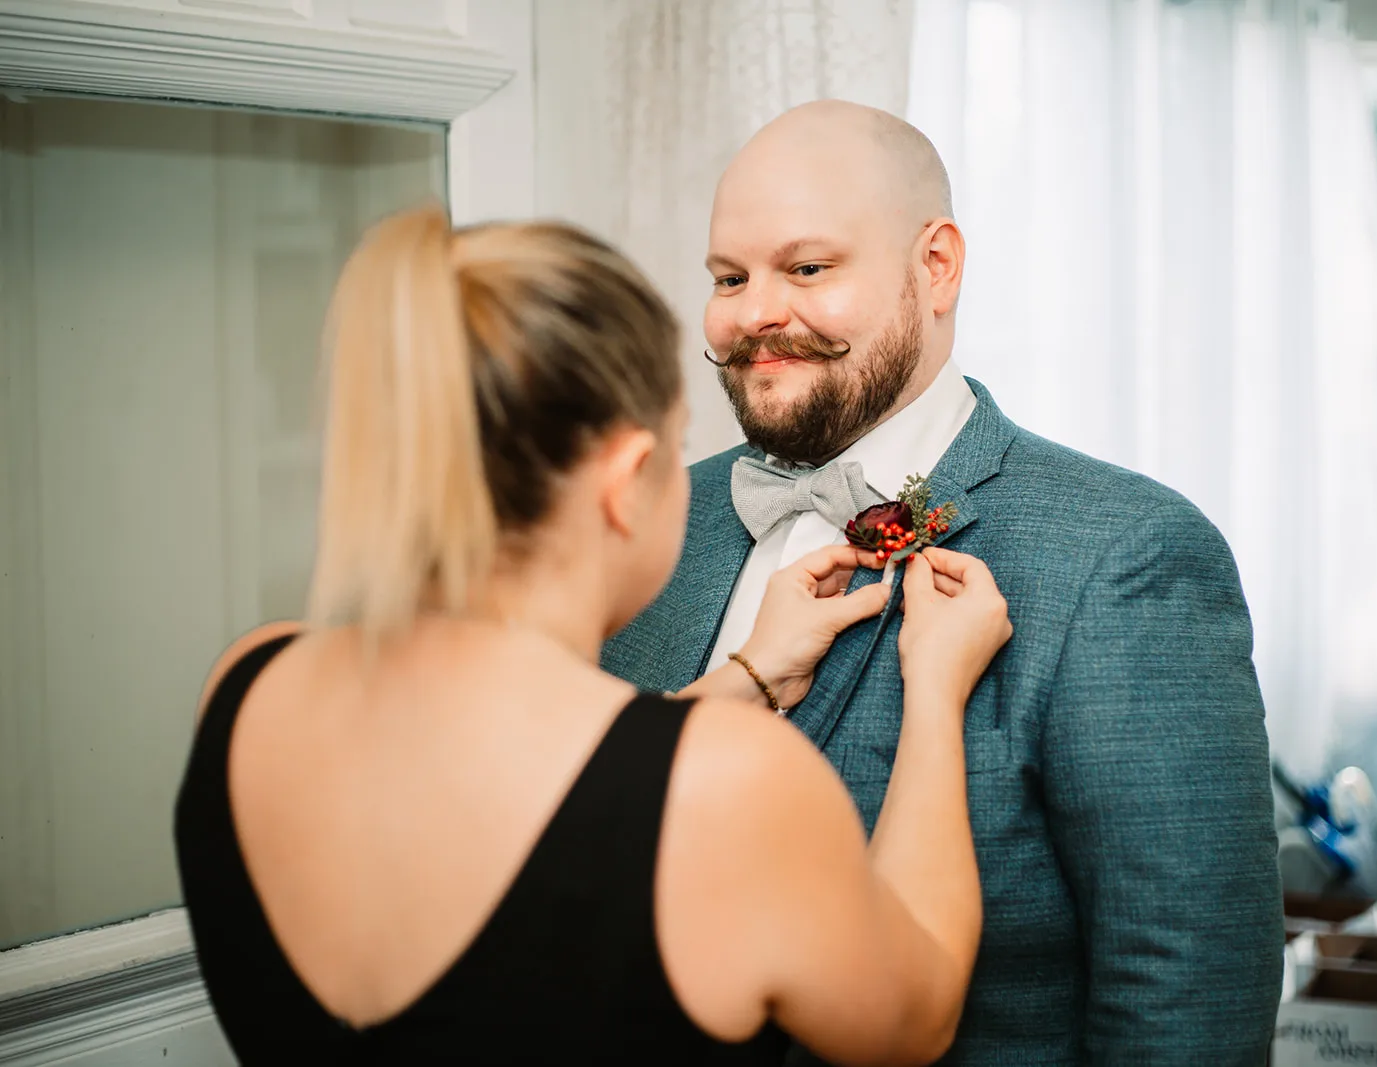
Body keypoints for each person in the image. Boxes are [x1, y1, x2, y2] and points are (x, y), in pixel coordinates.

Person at [172, 204, 1016, 1065]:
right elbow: (915, 1013)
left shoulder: (248, 683)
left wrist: (750, 673)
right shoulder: (733, 784)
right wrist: (937, 694)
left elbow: (565, 815)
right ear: (626, 480)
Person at [602, 100, 1283, 1064]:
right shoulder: (647, 521)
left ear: (936, 267)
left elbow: (1186, 993)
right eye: (728, 276)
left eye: (806, 267)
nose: (755, 312)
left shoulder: (1127, 554)